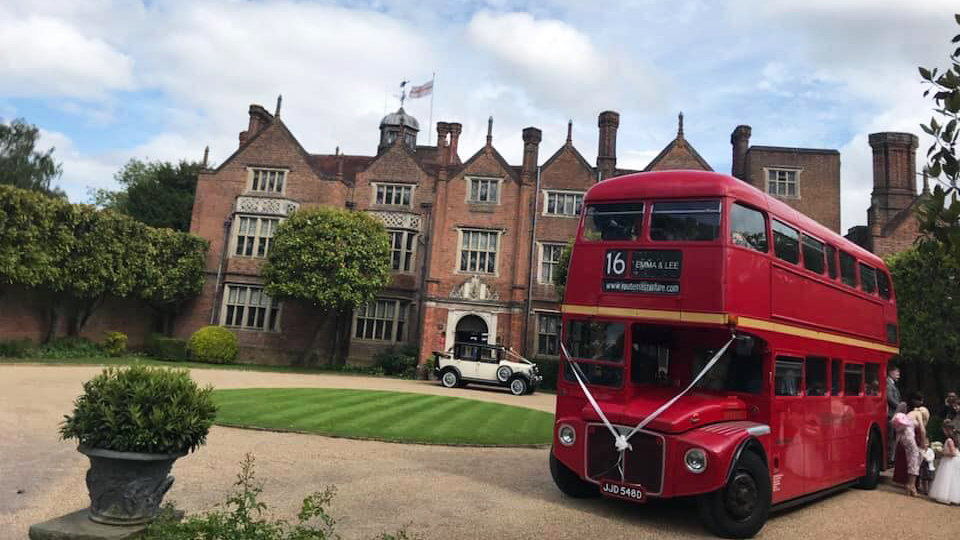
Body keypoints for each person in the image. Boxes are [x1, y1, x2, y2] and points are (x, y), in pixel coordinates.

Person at [928, 419, 960, 505]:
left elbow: (953, 453)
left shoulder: (949, 440)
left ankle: (945, 496)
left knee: (947, 478)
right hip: (951, 461)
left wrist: (942, 452)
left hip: (950, 461)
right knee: (951, 478)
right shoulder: (953, 439)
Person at [892, 402, 917, 495]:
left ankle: (909, 485)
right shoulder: (904, 417)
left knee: (909, 460)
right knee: (914, 460)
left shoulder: (895, 418)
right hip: (909, 439)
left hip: (901, 440)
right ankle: (911, 485)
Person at [886, 366, 901, 466]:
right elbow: (890, 398)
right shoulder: (888, 384)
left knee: (894, 436)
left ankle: (892, 457)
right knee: (891, 437)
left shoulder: (892, 384)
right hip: (891, 414)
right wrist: (900, 406)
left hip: (894, 413)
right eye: (897, 373)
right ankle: (890, 458)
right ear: (891, 372)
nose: (898, 375)